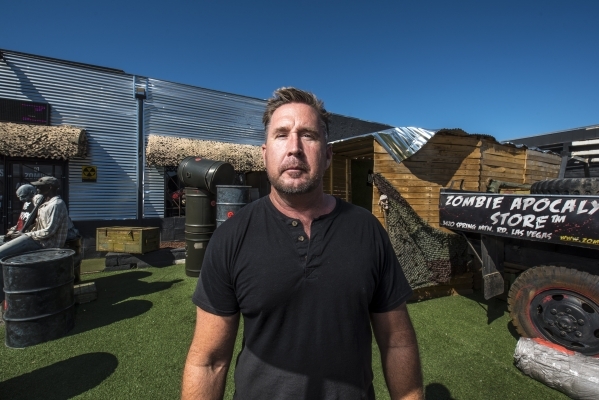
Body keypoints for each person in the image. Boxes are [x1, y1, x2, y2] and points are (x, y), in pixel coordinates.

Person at [182, 88, 423, 399]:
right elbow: (208, 362)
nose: (294, 148)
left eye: (308, 135)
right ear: (265, 154)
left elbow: (397, 342)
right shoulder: (231, 237)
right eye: (281, 135)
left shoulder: (367, 230)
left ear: (327, 155)